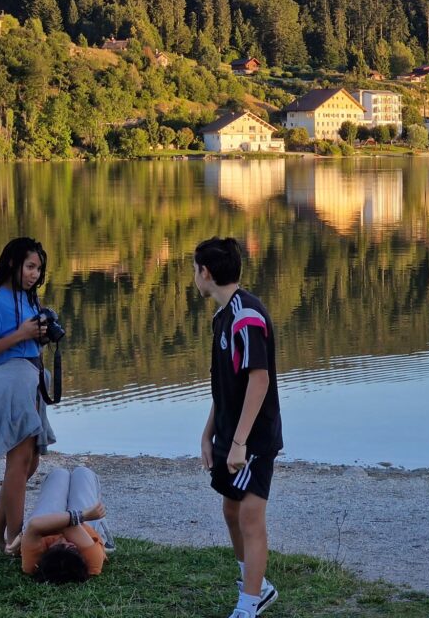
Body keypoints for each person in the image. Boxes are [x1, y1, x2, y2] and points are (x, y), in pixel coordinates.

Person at [194, 237, 283, 618]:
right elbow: (226, 386)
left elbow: (259, 381)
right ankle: (256, 585)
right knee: (231, 511)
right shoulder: (223, 316)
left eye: (194, 270)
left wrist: (240, 442)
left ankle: (248, 606)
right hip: (230, 436)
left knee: (249, 516)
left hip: (253, 439)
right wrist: (208, 433)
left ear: (206, 273)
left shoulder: (248, 316)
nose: (194, 277)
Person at [0, 237, 56, 551]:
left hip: (30, 380)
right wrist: (22, 334)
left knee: (29, 463)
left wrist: (40, 336)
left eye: (38, 269)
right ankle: (14, 540)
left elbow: (24, 340)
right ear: (12, 263)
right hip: (11, 381)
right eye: (30, 266)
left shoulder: (28, 299)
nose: (34, 274)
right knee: (18, 464)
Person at [8, 466, 115, 583]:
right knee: (83, 473)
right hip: (86, 528)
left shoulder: (32, 563)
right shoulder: (91, 559)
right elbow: (66, 528)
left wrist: (25, 535)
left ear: (46, 554)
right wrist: (84, 515)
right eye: (73, 549)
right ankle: (105, 539)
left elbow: (34, 525)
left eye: (61, 545)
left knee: (59, 474)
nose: (67, 541)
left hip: (47, 525)